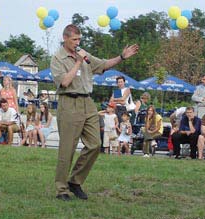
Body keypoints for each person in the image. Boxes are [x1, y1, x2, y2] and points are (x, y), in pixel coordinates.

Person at [50, 24, 139, 201]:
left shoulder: (84, 54)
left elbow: (104, 64)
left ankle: (75, 181)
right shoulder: (57, 59)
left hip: (87, 102)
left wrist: (121, 57)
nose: (77, 43)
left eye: (79, 39)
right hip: (69, 102)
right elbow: (65, 82)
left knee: (95, 144)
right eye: (74, 39)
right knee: (67, 149)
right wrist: (77, 62)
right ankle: (61, 189)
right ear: (65, 38)